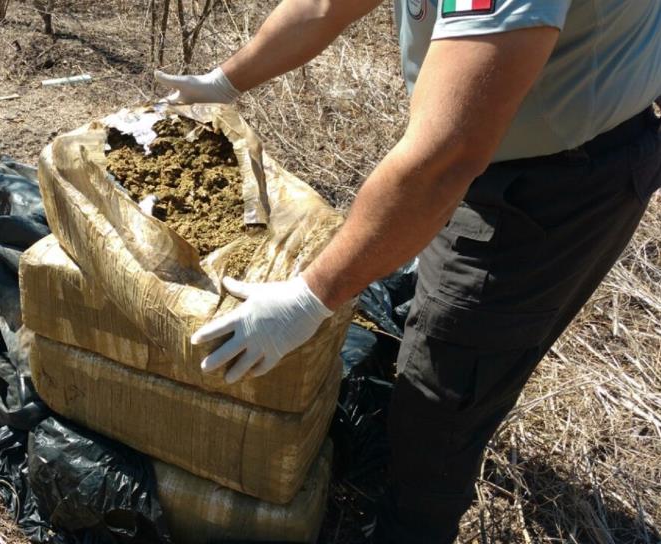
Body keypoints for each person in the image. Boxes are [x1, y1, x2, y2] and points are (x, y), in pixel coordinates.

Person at [155, 0, 661, 542]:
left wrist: (310, 298)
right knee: (430, 330)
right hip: (488, 145)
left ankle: (411, 525)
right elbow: (325, 7)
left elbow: (445, 157)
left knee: (443, 395)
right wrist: (223, 82)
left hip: (555, 181)